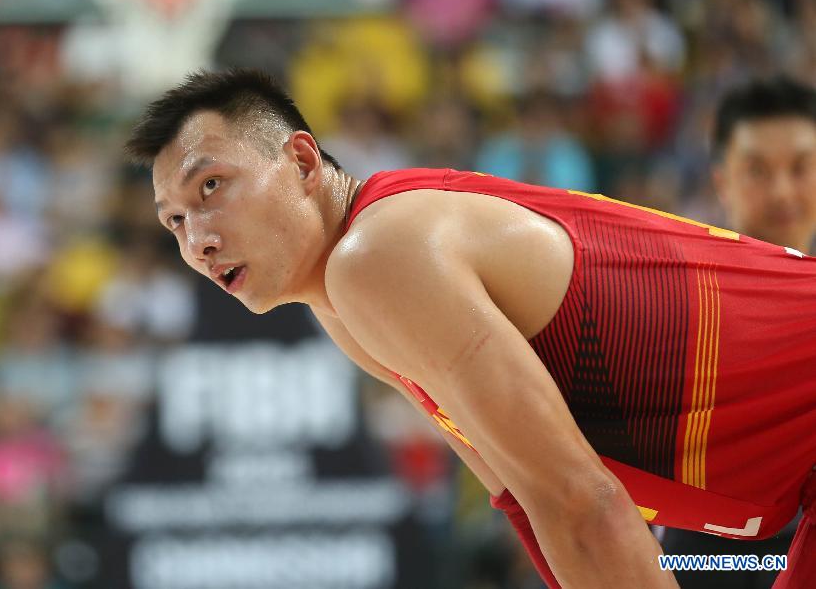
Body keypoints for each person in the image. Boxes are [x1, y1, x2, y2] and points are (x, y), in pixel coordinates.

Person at [126, 69, 816, 588]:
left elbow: (586, 506)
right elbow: (530, 504)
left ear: (303, 162)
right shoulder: (347, 301)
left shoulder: (378, 256)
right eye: (175, 221)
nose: (198, 241)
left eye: (210, 187)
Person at [659, 77, 816, 587]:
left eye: (800, 168)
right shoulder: (674, 304)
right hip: (700, 561)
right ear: (722, 180)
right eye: (757, 170)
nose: (782, 192)